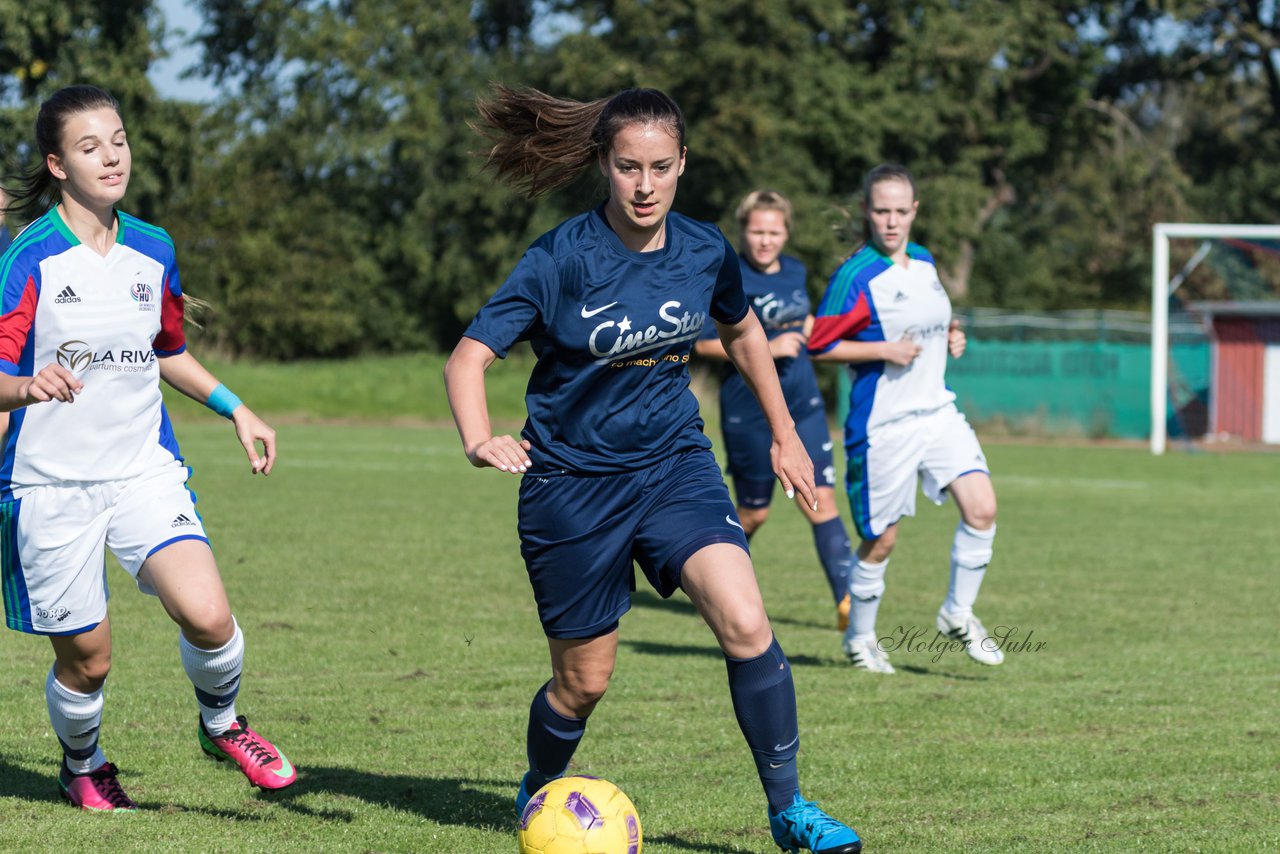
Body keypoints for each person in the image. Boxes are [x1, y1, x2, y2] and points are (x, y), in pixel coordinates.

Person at [445, 84, 862, 854]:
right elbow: (468, 357)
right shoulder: (558, 259)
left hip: (675, 466)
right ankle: (539, 788)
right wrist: (478, 437)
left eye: (660, 168)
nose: (644, 186)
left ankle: (789, 810)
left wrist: (786, 434)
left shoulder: (706, 249)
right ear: (603, 164)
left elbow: (742, 334)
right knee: (583, 685)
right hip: (571, 489)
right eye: (629, 167)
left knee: (745, 619)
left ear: (682, 165)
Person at [0, 85, 297, 811]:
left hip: (141, 472)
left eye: (119, 140)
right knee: (89, 662)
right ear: (58, 164)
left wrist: (237, 408)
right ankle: (83, 762)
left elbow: (165, 349)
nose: (111, 156)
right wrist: (25, 388)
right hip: (48, 488)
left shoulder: (152, 246)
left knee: (208, 615)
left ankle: (223, 724)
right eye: (90, 145)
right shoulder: (29, 257)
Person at [808, 163, 1003, 674]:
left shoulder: (924, 261)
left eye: (900, 211)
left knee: (982, 508)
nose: (891, 221)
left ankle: (958, 613)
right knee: (881, 540)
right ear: (866, 213)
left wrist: (953, 334)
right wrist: (883, 350)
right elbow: (819, 345)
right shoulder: (856, 276)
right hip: (883, 428)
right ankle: (861, 638)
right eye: (881, 211)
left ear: (914, 211)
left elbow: (933, 322)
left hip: (938, 411)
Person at [694, 190, 855, 629]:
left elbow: (802, 321)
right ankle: (703, 575)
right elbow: (704, 343)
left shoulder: (797, 271)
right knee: (754, 513)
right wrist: (771, 343)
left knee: (820, 497)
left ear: (786, 233)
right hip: (749, 411)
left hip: (802, 401)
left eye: (774, 232)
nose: (765, 240)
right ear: (743, 231)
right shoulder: (727, 274)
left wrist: (827, 335)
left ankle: (849, 603)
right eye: (757, 231)